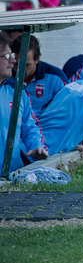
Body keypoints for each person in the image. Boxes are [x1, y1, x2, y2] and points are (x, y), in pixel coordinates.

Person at [0, 32, 48, 172]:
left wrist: (36, 145)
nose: (13, 61)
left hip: (11, 176)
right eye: (7, 56)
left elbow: (30, 126)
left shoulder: (18, 92)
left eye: (12, 55)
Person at [10, 34, 68, 115]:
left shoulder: (56, 78)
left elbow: (66, 108)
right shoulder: (4, 76)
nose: (20, 70)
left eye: (26, 65)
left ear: (37, 60)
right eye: (16, 64)